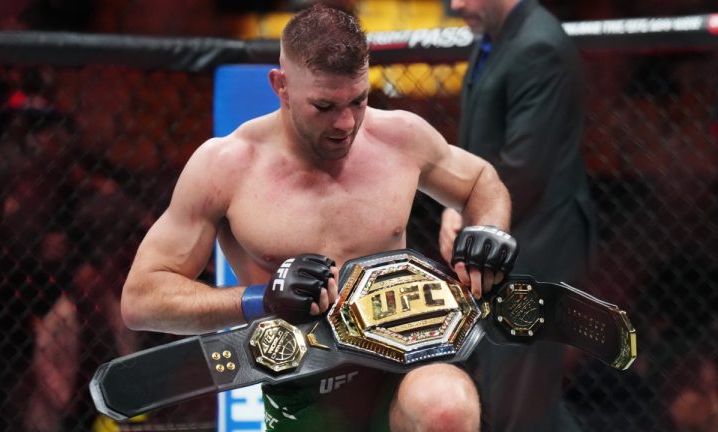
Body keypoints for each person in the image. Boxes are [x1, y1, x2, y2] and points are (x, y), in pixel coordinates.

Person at [120, 4, 518, 431]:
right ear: (282, 86)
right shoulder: (225, 167)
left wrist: (488, 228)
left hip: (405, 357)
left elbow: (481, 181)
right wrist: (260, 298)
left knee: (447, 406)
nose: (346, 123)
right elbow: (142, 299)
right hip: (304, 385)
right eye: (324, 106)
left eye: (358, 100)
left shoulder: (400, 137)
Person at [440, 0, 596, 431]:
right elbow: (478, 146)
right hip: (507, 241)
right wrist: (455, 205)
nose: (455, 5)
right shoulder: (495, 36)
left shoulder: (537, 45)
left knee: (519, 405)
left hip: (538, 246)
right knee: (516, 400)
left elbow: (526, 167)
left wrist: (467, 211)